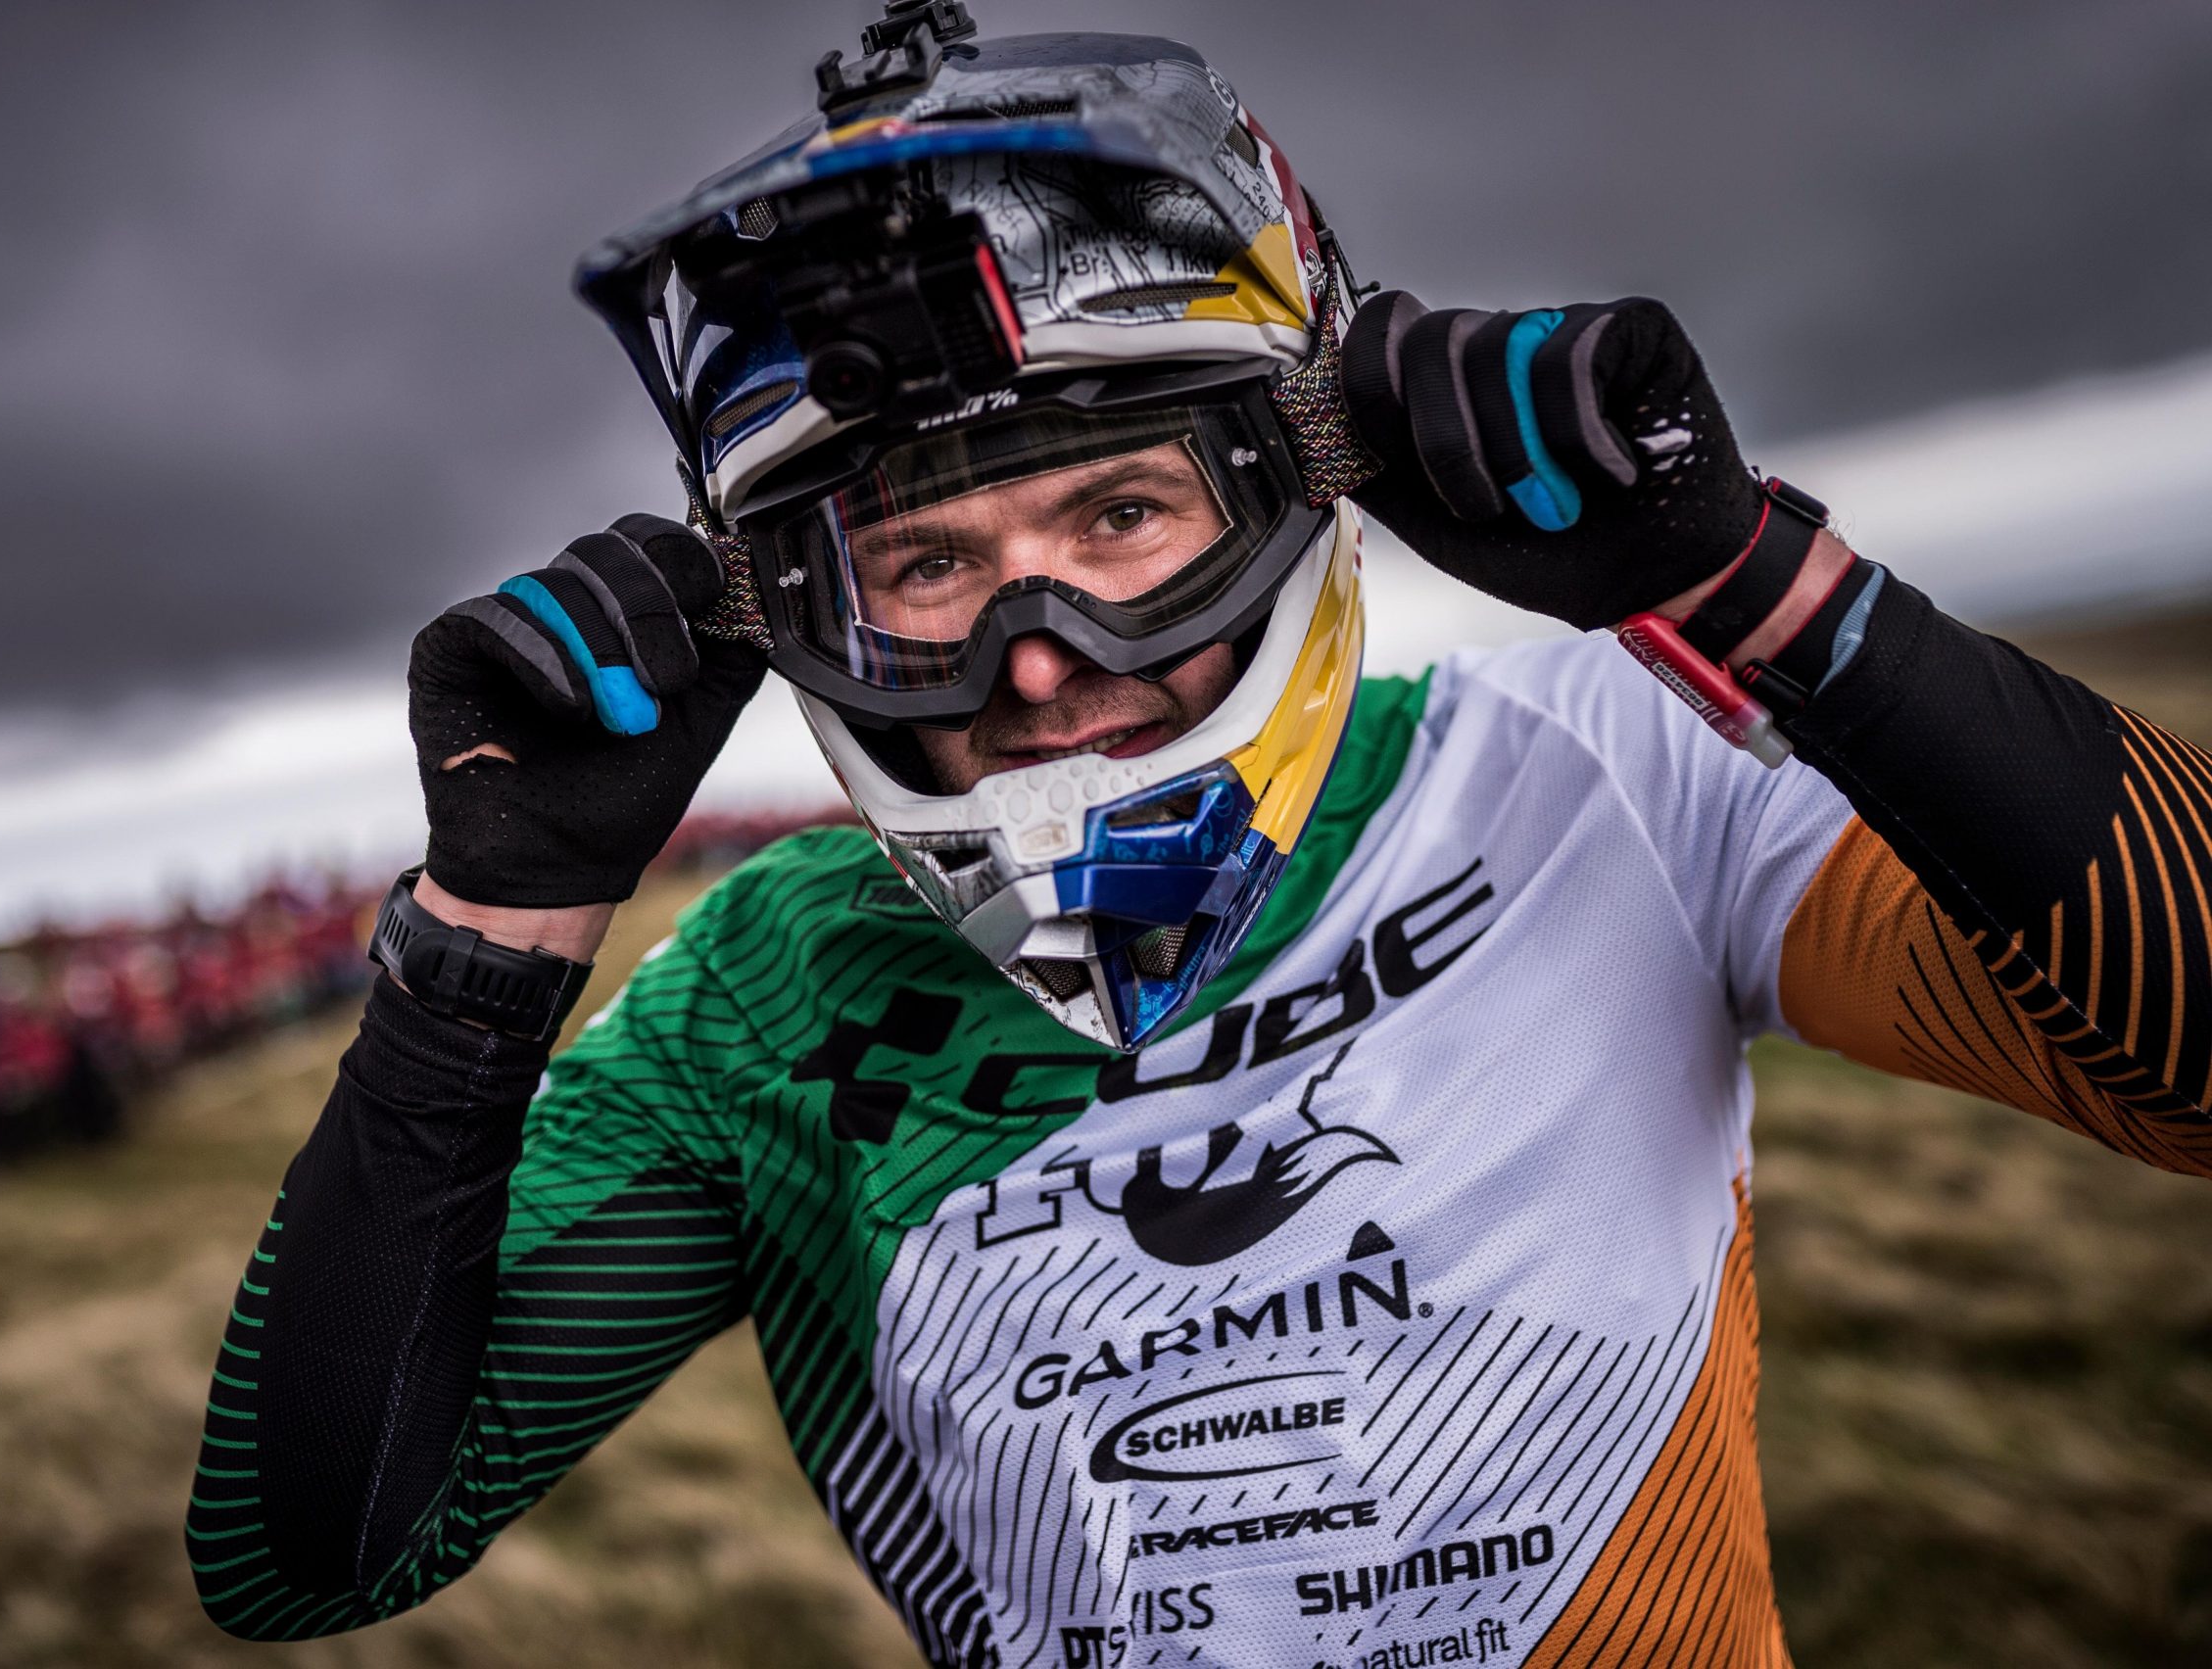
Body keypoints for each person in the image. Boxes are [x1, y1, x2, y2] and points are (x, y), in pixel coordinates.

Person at [186, 11, 2212, 1665]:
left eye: (1120, 517)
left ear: (1294, 486)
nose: (1039, 654)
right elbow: (314, 1553)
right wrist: (490, 932)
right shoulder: (762, 992)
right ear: (791, 614)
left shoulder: (1602, 770)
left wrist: (1749, 584)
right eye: (922, 567)